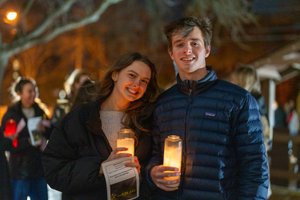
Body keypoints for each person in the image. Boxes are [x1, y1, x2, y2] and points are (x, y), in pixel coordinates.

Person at [146, 16, 269, 199]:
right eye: (180, 44)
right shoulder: (164, 103)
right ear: (171, 53)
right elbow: (155, 152)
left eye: (194, 43)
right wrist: (152, 172)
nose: (187, 50)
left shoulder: (238, 100)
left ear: (207, 49)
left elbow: (255, 165)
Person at [42, 52, 160, 200]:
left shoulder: (144, 123)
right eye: (131, 75)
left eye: (144, 81)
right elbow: (54, 171)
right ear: (115, 75)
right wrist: (100, 168)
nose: (137, 84)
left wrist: (144, 174)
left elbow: (148, 172)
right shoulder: (80, 117)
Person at [1, 77, 52, 200]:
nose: (33, 94)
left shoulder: (41, 112)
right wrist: (28, 141)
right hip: (20, 173)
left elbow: (52, 133)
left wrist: (46, 129)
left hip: (39, 171)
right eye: (29, 91)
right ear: (19, 93)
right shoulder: (12, 116)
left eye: (34, 90)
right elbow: (7, 144)